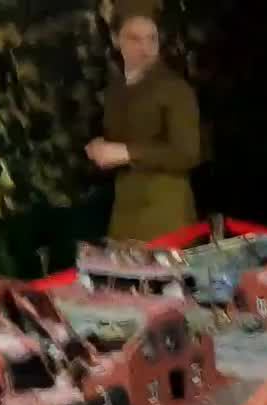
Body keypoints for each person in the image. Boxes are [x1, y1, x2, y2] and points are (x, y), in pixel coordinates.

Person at [86, 0, 201, 246]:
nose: (145, 48)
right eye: (134, 39)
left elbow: (188, 153)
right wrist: (101, 151)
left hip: (166, 218)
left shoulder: (174, 89)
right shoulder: (116, 89)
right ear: (116, 39)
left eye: (151, 39)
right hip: (124, 217)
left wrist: (126, 152)